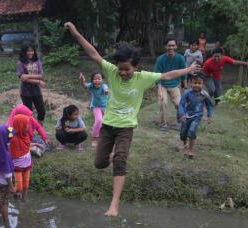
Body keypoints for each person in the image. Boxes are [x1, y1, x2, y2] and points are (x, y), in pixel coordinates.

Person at [64, 21, 199, 216]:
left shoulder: (143, 77)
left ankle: (114, 204)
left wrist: (188, 70)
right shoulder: (111, 72)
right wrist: (76, 32)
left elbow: (168, 75)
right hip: (108, 126)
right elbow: (93, 53)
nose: (123, 72)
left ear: (135, 67)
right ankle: (111, 156)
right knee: (100, 163)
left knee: (120, 161)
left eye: (127, 69)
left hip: (126, 127)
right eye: (121, 69)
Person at [178, 73, 214, 158]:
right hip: (186, 115)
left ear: (203, 84)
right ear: (191, 83)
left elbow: (209, 106)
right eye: (194, 83)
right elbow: (181, 104)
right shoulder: (187, 93)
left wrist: (209, 116)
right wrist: (182, 114)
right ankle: (183, 142)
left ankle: (190, 150)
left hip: (197, 115)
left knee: (192, 130)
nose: (197, 85)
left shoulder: (204, 94)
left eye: (199, 83)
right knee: (183, 132)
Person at [154, 38, 187, 130]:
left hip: (175, 85)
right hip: (163, 85)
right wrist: (160, 89)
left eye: (173, 45)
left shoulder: (180, 58)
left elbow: (183, 72)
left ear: (176, 46)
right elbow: (157, 75)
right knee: (162, 103)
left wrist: (185, 85)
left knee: (179, 104)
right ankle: (163, 124)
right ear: (166, 47)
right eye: (169, 45)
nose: (171, 47)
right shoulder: (160, 59)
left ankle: (180, 121)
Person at [0, 124, 16, 224]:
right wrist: (11, 186)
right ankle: (6, 223)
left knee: (2, 198)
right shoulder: (5, 154)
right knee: (5, 202)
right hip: (5, 182)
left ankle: (0, 213)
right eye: (9, 137)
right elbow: (7, 174)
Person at [17, 42, 46, 122]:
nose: (30, 53)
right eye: (28, 51)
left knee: (42, 111)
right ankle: (30, 131)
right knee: (28, 113)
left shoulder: (37, 61)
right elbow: (22, 78)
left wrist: (27, 76)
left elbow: (40, 75)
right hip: (25, 91)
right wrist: (38, 82)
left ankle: (40, 129)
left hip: (36, 90)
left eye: (32, 51)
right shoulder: (21, 62)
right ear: (24, 52)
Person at [79, 71, 109, 148]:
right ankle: (94, 139)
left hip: (106, 106)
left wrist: (106, 92)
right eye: (95, 79)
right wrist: (83, 80)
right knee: (99, 120)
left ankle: (104, 137)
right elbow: (85, 86)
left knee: (106, 123)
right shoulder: (91, 86)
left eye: (99, 79)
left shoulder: (104, 86)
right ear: (92, 80)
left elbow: (106, 90)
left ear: (102, 80)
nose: (97, 80)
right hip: (96, 106)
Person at [10, 114, 33, 201]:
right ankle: (12, 192)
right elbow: (12, 153)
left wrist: (37, 144)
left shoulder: (25, 136)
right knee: (19, 186)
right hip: (17, 166)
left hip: (27, 164)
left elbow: (27, 146)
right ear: (20, 126)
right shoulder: (13, 140)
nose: (29, 127)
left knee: (26, 184)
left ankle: (24, 199)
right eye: (27, 125)